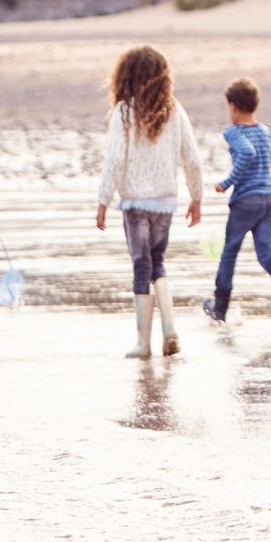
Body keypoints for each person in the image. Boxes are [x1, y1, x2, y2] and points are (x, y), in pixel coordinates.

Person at [96, 45, 205, 359]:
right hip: (165, 202)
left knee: (140, 266)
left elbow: (115, 160)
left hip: (134, 203)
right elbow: (192, 159)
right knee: (158, 263)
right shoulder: (174, 110)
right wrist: (196, 197)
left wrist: (103, 200)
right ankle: (170, 329)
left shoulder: (124, 113)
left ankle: (143, 344)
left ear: (125, 77)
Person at [202, 77, 271, 329]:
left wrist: (226, 183)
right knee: (266, 252)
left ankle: (220, 307)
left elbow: (247, 153)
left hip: (245, 202)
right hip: (269, 200)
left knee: (230, 251)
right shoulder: (265, 132)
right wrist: (269, 187)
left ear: (233, 106)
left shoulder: (233, 132)